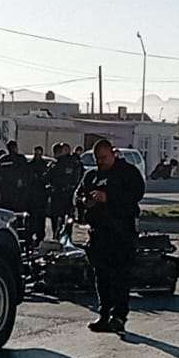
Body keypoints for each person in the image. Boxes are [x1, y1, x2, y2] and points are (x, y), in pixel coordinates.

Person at [76, 139, 145, 333]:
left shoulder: (128, 173)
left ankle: (119, 316)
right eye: (98, 159)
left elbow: (136, 195)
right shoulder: (91, 175)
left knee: (120, 276)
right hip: (98, 234)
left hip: (121, 232)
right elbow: (78, 195)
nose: (101, 162)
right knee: (101, 276)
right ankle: (104, 314)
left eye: (104, 158)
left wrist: (109, 197)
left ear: (113, 154)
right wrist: (84, 201)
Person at [44, 142, 83, 239]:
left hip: (64, 194)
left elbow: (79, 178)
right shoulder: (57, 164)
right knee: (60, 216)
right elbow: (47, 177)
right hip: (62, 194)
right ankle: (60, 234)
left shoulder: (69, 163)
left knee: (63, 216)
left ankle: (62, 235)